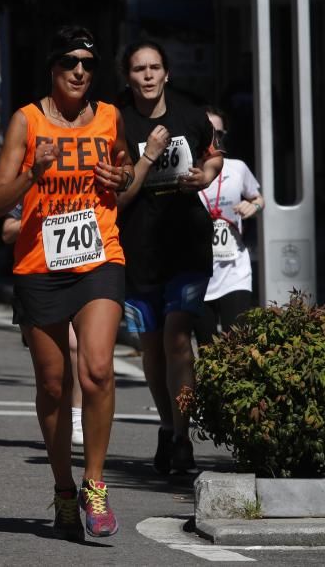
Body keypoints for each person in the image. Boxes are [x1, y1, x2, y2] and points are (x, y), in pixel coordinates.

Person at [0, 25, 133, 539]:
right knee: (53, 385)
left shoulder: (112, 118)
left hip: (99, 256)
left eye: (88, 65)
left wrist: (122, 178)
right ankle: (64, 489)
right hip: (40, 266)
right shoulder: (26, 123)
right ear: (53, 68)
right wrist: (33, 173)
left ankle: (95, 485)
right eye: (70, 62)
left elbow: (125, 172)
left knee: (96, 370)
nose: (79, 71)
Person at [116, 40, 223, 477]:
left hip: (186, 242)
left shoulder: (190, 114)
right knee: (151, 346)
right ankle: (165, 423)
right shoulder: (115, 120)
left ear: (166, 74)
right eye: (139, 69)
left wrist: (204, 175)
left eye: (154, 67)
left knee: (179, 336)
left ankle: (182, 436)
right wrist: (148, 157)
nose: (147, 76)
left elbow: (215, 157)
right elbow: (118, 195)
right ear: (129, 77)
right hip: (138, 247)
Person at [3, 205, 84, 447]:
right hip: (41, 280)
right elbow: (7, 232)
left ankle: (77, 415)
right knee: (54, 375)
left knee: (75, 346)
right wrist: (47, 220)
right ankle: (62, 417)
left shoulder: (85, 179)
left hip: (84, 276)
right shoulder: (31, 182)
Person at [195, 106, 263, 341]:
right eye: (208, 133)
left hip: (235, 271)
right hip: (199, 274)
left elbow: (258, 198)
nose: (214, 140)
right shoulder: (186, 172)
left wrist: (253, 207)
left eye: (220, 135)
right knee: (207, 347)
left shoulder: (237, 168)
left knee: (237, 343)